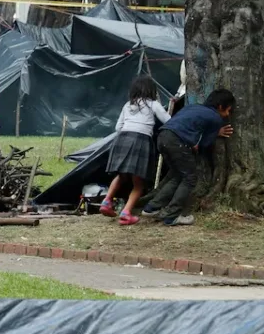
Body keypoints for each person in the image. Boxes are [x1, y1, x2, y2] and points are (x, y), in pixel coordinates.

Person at [142, 89, 236, 226]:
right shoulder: (215, 118)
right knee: (190, 178)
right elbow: (204, 145)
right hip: (176, 142)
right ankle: (171, 215)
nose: (227, 115)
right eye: (228, 110)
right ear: (220, 107)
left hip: (162, 137)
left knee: (178, 175)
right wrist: (216, 132)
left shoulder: (193, 107)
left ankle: (152, 207)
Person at [100, 75, 169, 226]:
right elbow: (168, 121)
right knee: (139, 183)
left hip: (122, 139)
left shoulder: (127, 105)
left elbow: (118, 127)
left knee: (121, 175)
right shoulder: (153, 104)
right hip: (141, 141)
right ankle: (126, 213)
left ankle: (106, 201)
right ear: (151, 90)